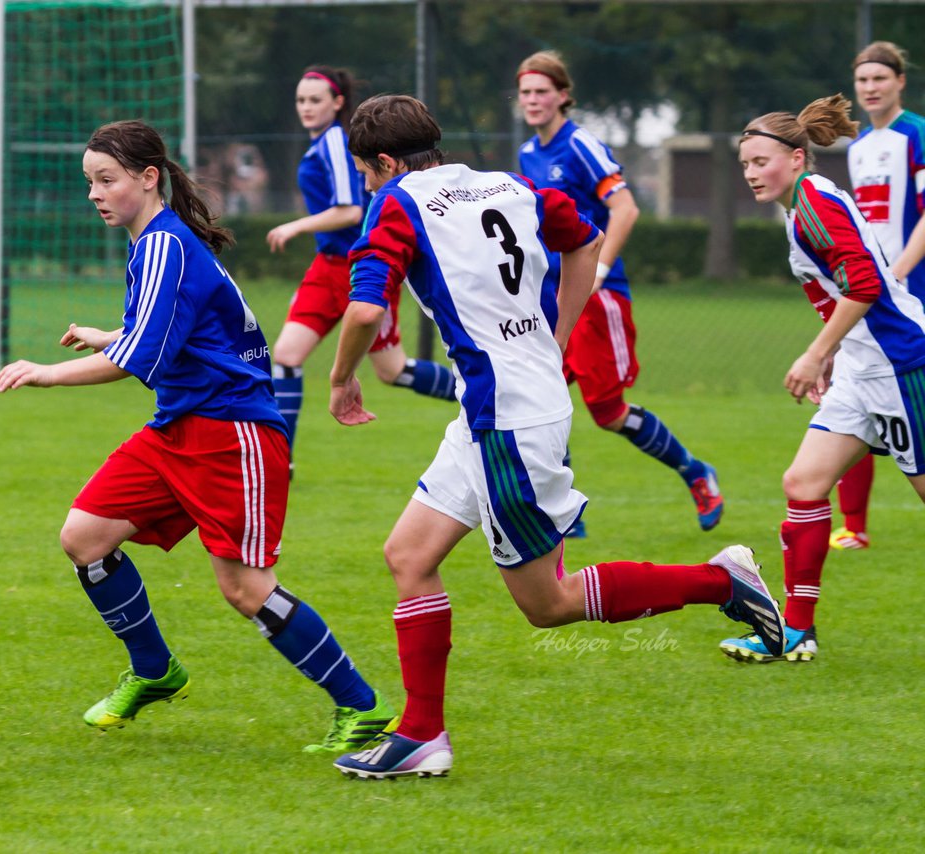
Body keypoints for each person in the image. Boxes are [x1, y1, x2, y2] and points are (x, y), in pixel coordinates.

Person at [324, 95, 786, 779]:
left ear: (387, 162)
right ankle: (423, 735)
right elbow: (587, 241)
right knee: (408, 556)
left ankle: (720, 581)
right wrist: (557, 337)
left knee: (548, 604)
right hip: (492, 410)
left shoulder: (396, 202)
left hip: (508, 422)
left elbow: (364, 307)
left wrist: (340, 379)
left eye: (367, 172)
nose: (368, 185)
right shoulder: (511, 184)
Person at [0, 120, 397, 752]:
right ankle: (156, 670)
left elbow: (137, 358)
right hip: (180, 424)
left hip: (232, 433)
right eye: (89, 182)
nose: (94, 194)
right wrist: (110, 335)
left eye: (106, 180)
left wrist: (46, 374)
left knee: (244, 587)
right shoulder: (153, 244)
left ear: (148, 178)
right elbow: (168, 333)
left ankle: (360, 706)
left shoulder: (165, 245)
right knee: (85, 537)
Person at [723, 95, 925, 663]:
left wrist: (815, 354)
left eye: (761, 161)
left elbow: (864, 283)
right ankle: (795, 630)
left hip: (900, 366)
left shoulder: (812, 204)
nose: (751, 173)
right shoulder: (802, 205)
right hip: (864, 369)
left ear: (795, 156)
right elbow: (845, 287)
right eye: (744, 164)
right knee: (804, 483)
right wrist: (836, 356)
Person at [515, 51, 723, 535]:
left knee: (607, 413)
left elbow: (625, 209)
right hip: (551, 294)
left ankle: (695, 472)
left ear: (563, 96)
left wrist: (601, 268)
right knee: (537, 397)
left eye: (542, 91)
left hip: (596, 296)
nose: (532, 100)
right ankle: (565, 515)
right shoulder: (529, 152)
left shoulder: (580, 145)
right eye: (525, 92)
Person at [266, 65, 455, 474]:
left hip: (365, 268)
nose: (306, 107)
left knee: (393, 371)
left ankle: (471, 391)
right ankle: (281, 460)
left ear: (337, 104)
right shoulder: (320, 145)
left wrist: (296, 224)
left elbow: (350, 210)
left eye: (315, 100)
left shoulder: (337, 141)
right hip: (328, 265)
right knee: (284, 355)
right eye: (301, 99)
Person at [834, 41, 925, 550]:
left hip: (912, 292)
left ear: (899, 81)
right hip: (876, 297)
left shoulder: (916, 133)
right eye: (863, 80)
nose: (870, 88)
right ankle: (855, 527)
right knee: (854, 395)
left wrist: (900, 269)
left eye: (879, 79)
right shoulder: (859, 145)